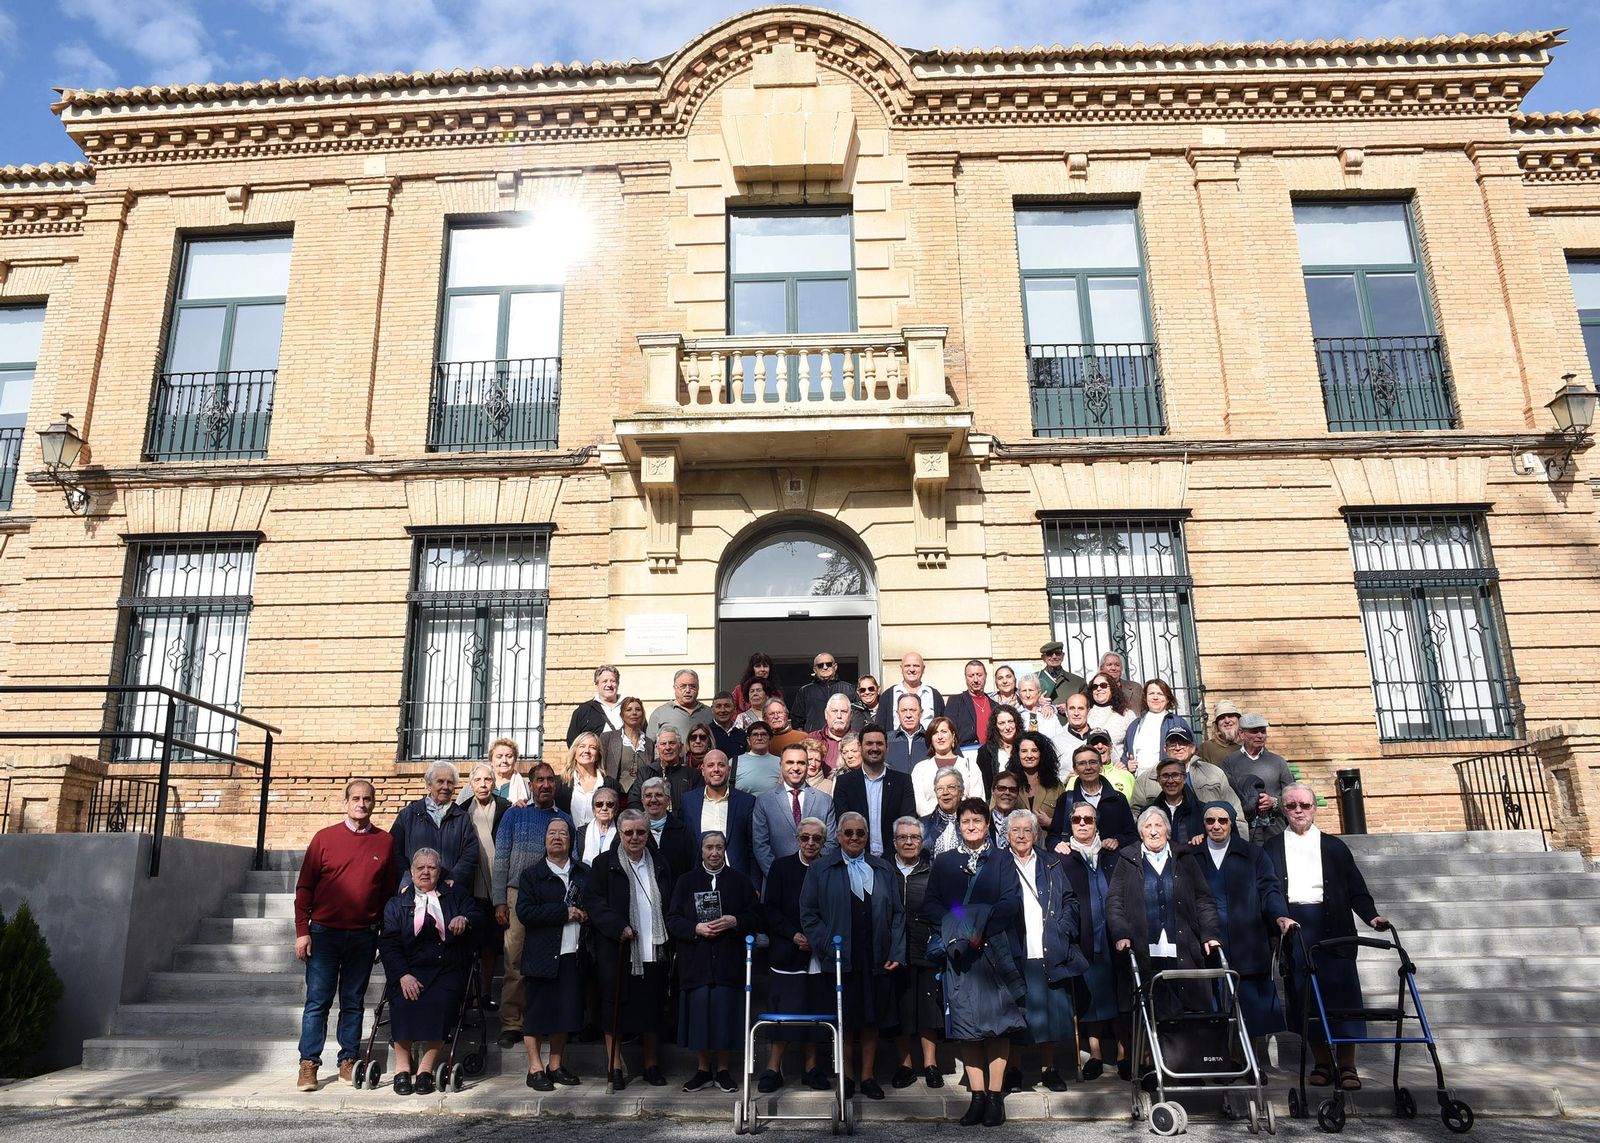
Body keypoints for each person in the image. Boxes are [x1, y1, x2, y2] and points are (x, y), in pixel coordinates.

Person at [1265, 784, 1388, 1092]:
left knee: (1344, 999)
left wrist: (1371, 916)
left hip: (1335, 927)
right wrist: (1278, 917)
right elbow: (1267, 890)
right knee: (1307, 999)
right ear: (1283, 809)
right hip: (1295, 928)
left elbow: (1356, 889)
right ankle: (1322, 1063)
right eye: (1291, 805)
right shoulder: (1271, 847)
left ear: (1314, 808)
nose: (1298, 810)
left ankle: (1347, 1066)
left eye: (1304, 805)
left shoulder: (1334, 847)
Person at [922, 797, 1025, 1128]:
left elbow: (1011, 901)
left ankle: (995, 1098)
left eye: (977, 821)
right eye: (965, 821)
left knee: (999, 1024)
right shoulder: (944, 862)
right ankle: (977, 1098)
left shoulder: (1001, 860)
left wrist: (983, 929)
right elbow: (932, 905)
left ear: (986, 824)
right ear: (958, 824)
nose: (971, 826)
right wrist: (967, 930)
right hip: (961, 954)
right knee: (967, 1028)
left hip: (995, 950)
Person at [293, 779, 398, 1091]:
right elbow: (304, 888)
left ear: (373, 803)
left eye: (367, 799)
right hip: (324, 934)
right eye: (355, 798)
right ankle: (308, 1063)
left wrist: (382, 934)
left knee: (353, 1002)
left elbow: (388, 893)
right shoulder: (324, 839)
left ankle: (348, 1060)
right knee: (318, 1001)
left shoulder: (385, 843)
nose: (361, 804)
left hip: (363, 936)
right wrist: (302, 932)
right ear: (346, 802)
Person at [799, 812, 906, 1101]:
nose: (855, 837)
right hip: (839, 958)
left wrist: (895, 950)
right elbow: (809, 914)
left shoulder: (882, 868)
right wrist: (826, 947)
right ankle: (845, 1077)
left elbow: (897, 913)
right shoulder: (821, 869)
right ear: (838, 836)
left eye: (860, 832)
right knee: (844, 1018)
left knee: (871, 1019)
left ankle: (868, 1076)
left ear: (867, 836)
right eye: (849, 832)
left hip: (875, 955)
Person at [1185, 802, 1293, 1053]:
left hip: (1247, 940)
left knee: (1250, 1006)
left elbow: (1270, 889)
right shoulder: (1191, 855)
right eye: (1210, 821)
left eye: (1222, 820)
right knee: (1214, 1003)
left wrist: (1279, 915)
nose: (1216, 826)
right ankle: (1221, 1059)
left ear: (1232, 823)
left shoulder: (1252, 854)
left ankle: (1251, 1060)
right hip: (1207, 942)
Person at [378, 847, 485, 1095]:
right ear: (411, 872)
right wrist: (403, 975)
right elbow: (389, 943)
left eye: (432, 867)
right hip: (408, 970)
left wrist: (464, 920)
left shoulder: (455, 895)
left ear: (440, 871)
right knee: (403, 1003)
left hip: (447, 968)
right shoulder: (397, 904)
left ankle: (426, 1068)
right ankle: (403, 1068)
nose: (426, 872)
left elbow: (478, 916)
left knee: (441, 1002)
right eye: (420, 868)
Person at [1106, 809, 1223, 1037]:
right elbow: (1114, 901)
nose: (1153, 832)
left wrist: (1210, 933)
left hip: (1183, 947)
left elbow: (1204, 899)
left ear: (1167, 831)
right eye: (1147, 827)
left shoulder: (1185, 858)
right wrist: (1121, 933)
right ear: (1140, 832)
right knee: (1148, 1009)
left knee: (1187, 1008)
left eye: (1158, 826)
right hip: (1143, 949)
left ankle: (1186, 1061)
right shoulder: (1127, 859)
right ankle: (1151, 1064)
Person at [583, 808, 673, 1089]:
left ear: (648, 834)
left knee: (651, 1009)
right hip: (617, 950)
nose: (635, 837)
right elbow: (594, 903)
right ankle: (615, 1065)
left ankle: (651, 1064)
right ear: (619, 833)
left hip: (653, 948)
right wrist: (616, 925)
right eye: (629, 832)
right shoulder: (603, 864)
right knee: (614, 1010)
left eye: (641, 832)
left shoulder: (660, 863)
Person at [669, 831, 763, 1093]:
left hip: (728, 960)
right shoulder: (686, 882)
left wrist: (736, 921)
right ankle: (702, 1069)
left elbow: (756, 917)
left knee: (724, 1016)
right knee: (700, 1017)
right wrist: (696, 928)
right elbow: (673, 919)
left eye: (719, 848)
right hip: (696, 960)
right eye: (709, 847)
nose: (714, 853)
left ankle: (723, 1070)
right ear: (701, 851)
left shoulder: (740, 881)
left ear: (725, 850)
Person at [1003, 808, 1086, 1092]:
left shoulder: (1051, 862)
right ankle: (1013, 1069)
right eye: (1016, 830)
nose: (1022, 835)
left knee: (1050, 1012)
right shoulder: (999, 863)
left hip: (1049, 945)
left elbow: (1070, 900)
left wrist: (1064, 928)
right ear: (1007, 835)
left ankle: (1049, 1069)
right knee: (1018, 1012)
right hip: (1016, 949)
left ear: (1037, 834)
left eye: (1028, 830)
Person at [492, 762, 574, 1047]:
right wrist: (499, 900)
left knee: (549, 960)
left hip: (553, 896)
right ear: (531, 784)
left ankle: (545, 1020)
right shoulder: (515, 815)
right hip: (517, 894)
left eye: (551, 780)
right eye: (539, 780)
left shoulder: (565, 818)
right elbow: (501, 857)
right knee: (514, 959)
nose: (545, 785)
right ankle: (512, 1023)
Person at [758, 817, 833, 1093]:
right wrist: (793, 935)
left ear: (824, 842)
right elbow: (771, 909)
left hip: (819, 952)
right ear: (797, 839)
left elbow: (836, 910)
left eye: (817, 838)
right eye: (805, 838)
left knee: (814, 1010)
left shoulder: (831, 868)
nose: (811, 843)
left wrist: (818, 939)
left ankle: (812, 1067)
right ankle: (773, 1067)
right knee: (785, 1010)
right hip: (788, 950)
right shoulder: (781, 867)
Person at [515, 818, 590, 1090]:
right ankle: (535, 1068)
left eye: (562, 833)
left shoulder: (583, 873)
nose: (557, 837)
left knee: (566, 1013)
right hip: (542, 955)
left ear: (571, 840)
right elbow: (525, 913)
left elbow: (593, 904)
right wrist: (563, 912)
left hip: (574, 953)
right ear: (544, 840)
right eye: (551, 833)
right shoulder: (531, 875)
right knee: (536, 1015)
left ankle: (555, 1065)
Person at [1057, 801, 1124, 1081]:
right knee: (1092, 997)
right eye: (1076, 819)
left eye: (1088, 819)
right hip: (1084, 936)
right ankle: (1095, 1055)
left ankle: (1124, 1053)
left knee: (1120, 997)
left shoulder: (1112, 853)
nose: (1082, 823)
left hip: (1115, 936)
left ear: (1096, 823)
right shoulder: (1062, 856)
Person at [887, 817, 943, 1090]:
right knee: (901, 1011)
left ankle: (931, 1064)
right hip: (894, 953)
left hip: (927, 950)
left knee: (928, 1011)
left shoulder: (933, 873)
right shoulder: (883, 871)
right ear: (894, 841)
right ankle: (906, 1065)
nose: (909, 842)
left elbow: (952, 907)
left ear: (922, 842)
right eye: (903, 837)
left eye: (914, 838)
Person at [462, 762, 512, 1007]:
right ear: (471, 784)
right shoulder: (461, 811)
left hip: (497, 888)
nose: (483, 785)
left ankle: (484, 993)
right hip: (471, 889)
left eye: (488, 780)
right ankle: (466, 994)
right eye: (478, 781)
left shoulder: (506, 808)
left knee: (492, 945)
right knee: (471, 944)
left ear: (494, 784)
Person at [390, 761, 480, 890]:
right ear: (428, 785)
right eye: (440, 781)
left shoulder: (462, 817)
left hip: (450, 891)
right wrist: (406, 880)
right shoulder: (409, 814)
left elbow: (470, 853)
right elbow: (395, 851)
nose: (445, 786)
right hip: (414, 891)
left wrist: (455, 877)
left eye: (450, 782)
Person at [753, 742, 837, 877]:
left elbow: (831, 842)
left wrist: (815, 871)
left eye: (801, 763)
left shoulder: (824, 801)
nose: (795, 768)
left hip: (817, 878)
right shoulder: (764, 801)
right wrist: (777, 875)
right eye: (790, 762)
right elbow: (760, 844)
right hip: (779, 881)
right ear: (781, 765)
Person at [833, 723, 916, 859]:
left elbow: (906, 822)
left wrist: (888, 858)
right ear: (860, 747)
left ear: (887, 747)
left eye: (879, 744)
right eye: (869, 743)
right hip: (856, 859)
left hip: (893, 860)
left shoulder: (903, 781)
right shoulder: (844, 783)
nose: (874, 748)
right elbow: (843, 824)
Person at [678, 750, 759, 886]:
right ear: (703, 770)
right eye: (711, 765)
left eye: (721, 765)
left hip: (736, 880)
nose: (716, 769)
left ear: (729, 770)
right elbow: (683, 846)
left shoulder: (746, 802)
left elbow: (753, 847)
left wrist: (755, 884)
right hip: (698, 879)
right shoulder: (688, 801)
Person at [1132, 727, 1244, 819]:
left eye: (1182, 743)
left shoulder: (1213, 773)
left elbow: (1234, 809)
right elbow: (1136, 814)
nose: (1177, 748)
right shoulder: (1147, 778)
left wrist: (1239, 843)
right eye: (1172, 744)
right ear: (1165, 749)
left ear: (1192, 748)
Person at [1223, 714, 1296, 844]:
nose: (1260, 735)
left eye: (1263, 731)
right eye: (1254, 731)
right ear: (1241, 734)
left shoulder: (1278, 762)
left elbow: (1293, 796)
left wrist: (1274, 802)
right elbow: (1224, 796)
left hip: (1275, 830)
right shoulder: (1230, 762)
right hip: (1244, 831)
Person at [1052, 743, 1138, 853]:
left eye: (1093, 762)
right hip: (1076, 863)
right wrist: (1057, 845)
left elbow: (1132, 835)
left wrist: (1118, 841)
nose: (1088, 767)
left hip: (1112, 864)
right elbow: (1053, 837)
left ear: (1101, 766)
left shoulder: (1117, 799)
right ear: (1075, 769)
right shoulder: (1066, 799)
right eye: (1082, 763)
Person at [911, 715, 986, 816]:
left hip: (965, 825)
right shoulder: (920, 768)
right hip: (931, 825)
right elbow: (919, 804)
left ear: (953, 736)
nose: (940, 737)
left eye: (944, 731)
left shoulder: (969, 766)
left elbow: (978, 801)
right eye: (935, 733)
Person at [555, 731, 622, 831]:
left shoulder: (610, 784)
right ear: (575, 751)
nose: (587, 751)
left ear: (598, 755)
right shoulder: (560, 783)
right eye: (582, 746)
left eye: (593, 747)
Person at [1121, 679, 1191, 773]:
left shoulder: (1177, 723)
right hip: (1139, 780)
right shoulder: (1134, 725)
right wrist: (1127, 764)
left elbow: (1190, 751)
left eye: (1160, 694)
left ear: (1168, 698)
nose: (1155, 697)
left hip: (1167, 779)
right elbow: (1125, 754)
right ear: (1145, 698)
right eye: (1151, 693)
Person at [1008, 730, 1066, 836]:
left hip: (1048, 847)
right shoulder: (1007, 783)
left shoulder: (1055, 786)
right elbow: (995, 815)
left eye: (1034, 750)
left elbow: (1067, 821)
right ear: (1018, 754)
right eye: (1024, 751)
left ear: (1041, 753)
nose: (1029, 755)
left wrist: (1050, 822)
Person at [599, 696, 653, 804]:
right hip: (616, 795)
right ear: (622, 715)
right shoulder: (608, 738)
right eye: (629, 710)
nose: (634, 713)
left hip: (641, 798)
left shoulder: (649, 743)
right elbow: (600, 767)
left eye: (638, 709)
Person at [640, 776, 696, 879]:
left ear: (668, 800)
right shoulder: (633, 831)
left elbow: (692, 867)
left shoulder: (683, 831)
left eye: (659, 795)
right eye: (648, 795)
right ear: (642, 800)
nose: (653, 800)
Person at [1146, 756, 1206, 847]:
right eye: (1165, 776)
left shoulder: (1202, 811)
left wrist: (1205, 838)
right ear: (1158, 780)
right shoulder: (1148, 813)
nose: (1170, 781)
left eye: (1175, 775)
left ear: (1184, 778)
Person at [647, 668, 715, 741]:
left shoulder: (709, 713)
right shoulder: (660, 714)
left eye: (692, 686)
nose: (688, 690)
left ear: (698, 688)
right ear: (675, 688)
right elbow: (649, 746)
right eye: (683, 686)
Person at [793, 650, 854, 732]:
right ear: (815, 669)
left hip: (844, 739)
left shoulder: (849, 688)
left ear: (835, 666)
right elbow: (797, 720)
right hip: (814, 741)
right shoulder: (805, 691)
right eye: (820, 665)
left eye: (828, 664)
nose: (825, 667)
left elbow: (856, 716)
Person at [884, 652, 944, 729]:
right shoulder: (888, 695)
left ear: (923, 669)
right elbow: (880, 728)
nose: (911, 669)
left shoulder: (934, 695)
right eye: (907, 666)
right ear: (901, 668)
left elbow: (943, 725)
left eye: (916, 666)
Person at [566, 664, 623, 745]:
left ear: (618, 684)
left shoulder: (630, 708)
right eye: (605, 681)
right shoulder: (584, 711)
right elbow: (572, 742)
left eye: (613, 681)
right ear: (597, 685)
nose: (609, 685)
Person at [945, 660, 994, 750]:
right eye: (971, 676)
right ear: (966, 677)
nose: (975, 680)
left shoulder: (995, 706)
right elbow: (948, 732)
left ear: (986, 676)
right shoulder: (955, 702)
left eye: (979, 675)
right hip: (964, 754)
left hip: (990, 756)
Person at [1086, 671, 1136, 759]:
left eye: (1103, 685)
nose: (1098, 689)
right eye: (1095, 687)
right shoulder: (1085, 712)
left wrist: (1125, 762)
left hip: (1119, 767)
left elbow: (1134, 744)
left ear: (1112, 689)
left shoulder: (1127, 714)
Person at [1014, 673, 1069, 750]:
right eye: (1024, 691)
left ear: (1039, 693)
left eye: (1031, 690)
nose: (1028, 695)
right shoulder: (1014, 716)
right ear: (1019, 694)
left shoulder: (1050, 715)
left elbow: (1061, 741)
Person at [921, 768, 967, 857]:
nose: (945, 792)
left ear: (961, 792)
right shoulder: (922, 825)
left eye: (951, 787)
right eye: (940, 789)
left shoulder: (974, 823)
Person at [975, 705, 1021, 791]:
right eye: (1002, 723)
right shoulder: (985, 752)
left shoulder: (1025, 746)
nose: (1007, 727)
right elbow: (986, 785)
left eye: (1010, 721)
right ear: (995, 726)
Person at [1084, 727, 1136, 800]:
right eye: (1095, 743)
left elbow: (1135, 807)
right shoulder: (1078, 778)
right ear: (1087, 749)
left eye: (1104, 742)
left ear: (1111, 747)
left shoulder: (1126, 776)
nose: (1100, 746)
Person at [807, 693, 855, 769]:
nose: (839, 716)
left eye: (844, 711)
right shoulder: (812, 739)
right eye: (834, 711)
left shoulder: (859, 740)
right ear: (826, 714)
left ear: (851, 715)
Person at [1038, 641, 1087, 715]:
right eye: (1049, 654)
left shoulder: (1078, 682)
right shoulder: (1033, 680)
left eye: (1058, 653)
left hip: (1068, 724)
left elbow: (1087, 706)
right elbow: (1023, 703)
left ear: (1063, 656)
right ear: (1043, 658)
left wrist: (1070, 707)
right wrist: (1037, 702)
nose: (1054, 657)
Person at [652, 727, 697, 807]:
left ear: (680, 747)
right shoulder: (646, 773)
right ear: (657, 749)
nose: (668, 748)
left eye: (672, 743)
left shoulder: (694, 775)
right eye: (663, 744)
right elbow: (635, 803)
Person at [886, 692, 930, 775]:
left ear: (921, 713)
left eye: (913, 710)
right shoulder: (886, 740)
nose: (908, 715)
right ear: (897, 714)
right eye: (903, 711)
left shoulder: (931, 739)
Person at [732, 721, 780, 795]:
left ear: (770, 739)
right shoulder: (734, 762)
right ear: (748, 740)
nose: (759, 738)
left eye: (763, 734)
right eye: (755, 735)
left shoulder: (781, 763)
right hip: (743, 806)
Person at [576, 786, 621, 865]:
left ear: (616, 810)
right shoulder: (580, 833)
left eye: (609, 804)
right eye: (599, 804)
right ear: (593, 809)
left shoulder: (623, 833)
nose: (604, 808)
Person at [487, 737, 531, 805]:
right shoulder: (477, 783)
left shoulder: (527, 786)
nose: (504, 760)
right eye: (499, 756)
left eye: (509, 756)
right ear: (491, 760)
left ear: (515, 760)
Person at [1199, 700, 1242, 767]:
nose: (1227, 721)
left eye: (1230, 716)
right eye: (1222, 718)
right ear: (1217, 725)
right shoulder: (1207, 748)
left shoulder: (1249, 744)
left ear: (1238, 720)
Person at [708, 691, 748, 759]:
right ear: (712, 709)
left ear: (735, 709)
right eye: (718, 706)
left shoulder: (742, 735)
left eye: (727, 706)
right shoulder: (706, 732)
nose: (723, 710)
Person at [989, 771, 1022, 852]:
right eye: (1001, 788)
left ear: (1017, 794)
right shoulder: (983, 820)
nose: (1007, 792)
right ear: (993, 791)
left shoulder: (1027, 822)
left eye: (1012, 789)